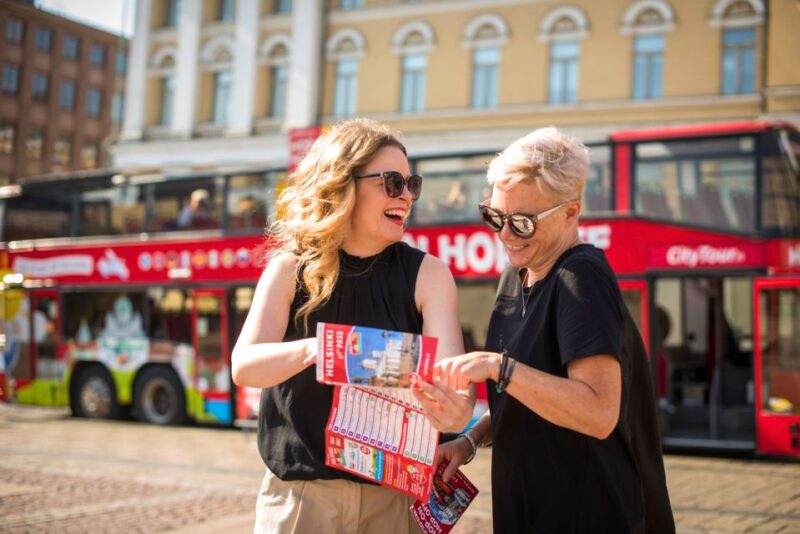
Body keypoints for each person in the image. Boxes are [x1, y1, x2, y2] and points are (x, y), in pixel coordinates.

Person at [417, 127, 675, 532]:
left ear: (570, 212)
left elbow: (598, 411)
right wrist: (469, 441)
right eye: (495, 216)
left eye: (521, 222)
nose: (504, 234)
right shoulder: (515, 276)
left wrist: (498, 367)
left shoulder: (581, 277)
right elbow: (528, 395)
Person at [231, 118, 471, 533]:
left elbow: (455, 395)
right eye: (392, 182)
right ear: (344, 183)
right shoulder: (289, 268)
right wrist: (318, 350)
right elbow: (244, 366)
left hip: (394, 503)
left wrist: (455, 410)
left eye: (411, 183)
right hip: (303, 499)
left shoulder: (430, 274)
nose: (406, 197)